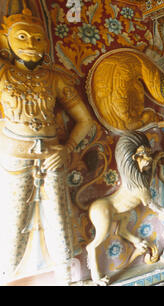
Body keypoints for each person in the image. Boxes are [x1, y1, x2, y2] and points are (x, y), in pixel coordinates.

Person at [0, 4, 93, 285]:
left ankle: (66, 276)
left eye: (38, 38)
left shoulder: (55, 79)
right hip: (14, 156)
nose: (32, 44)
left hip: (54, 154)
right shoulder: (3, 75)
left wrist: (67, 149)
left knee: (59, 217)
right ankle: (5, 274)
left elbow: (85, 121)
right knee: (14, 221)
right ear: (6, 40)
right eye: (23, 37)